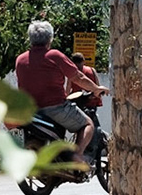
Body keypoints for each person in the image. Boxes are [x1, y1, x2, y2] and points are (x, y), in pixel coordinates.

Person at [14, 20, 102, 166]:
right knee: (88, 124)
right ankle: (77, 155)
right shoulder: (54, 55)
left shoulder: (20, 59)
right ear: (50, 39)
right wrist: (96, 89)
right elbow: (78, 77)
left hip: (30, 110)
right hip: (55, 108)